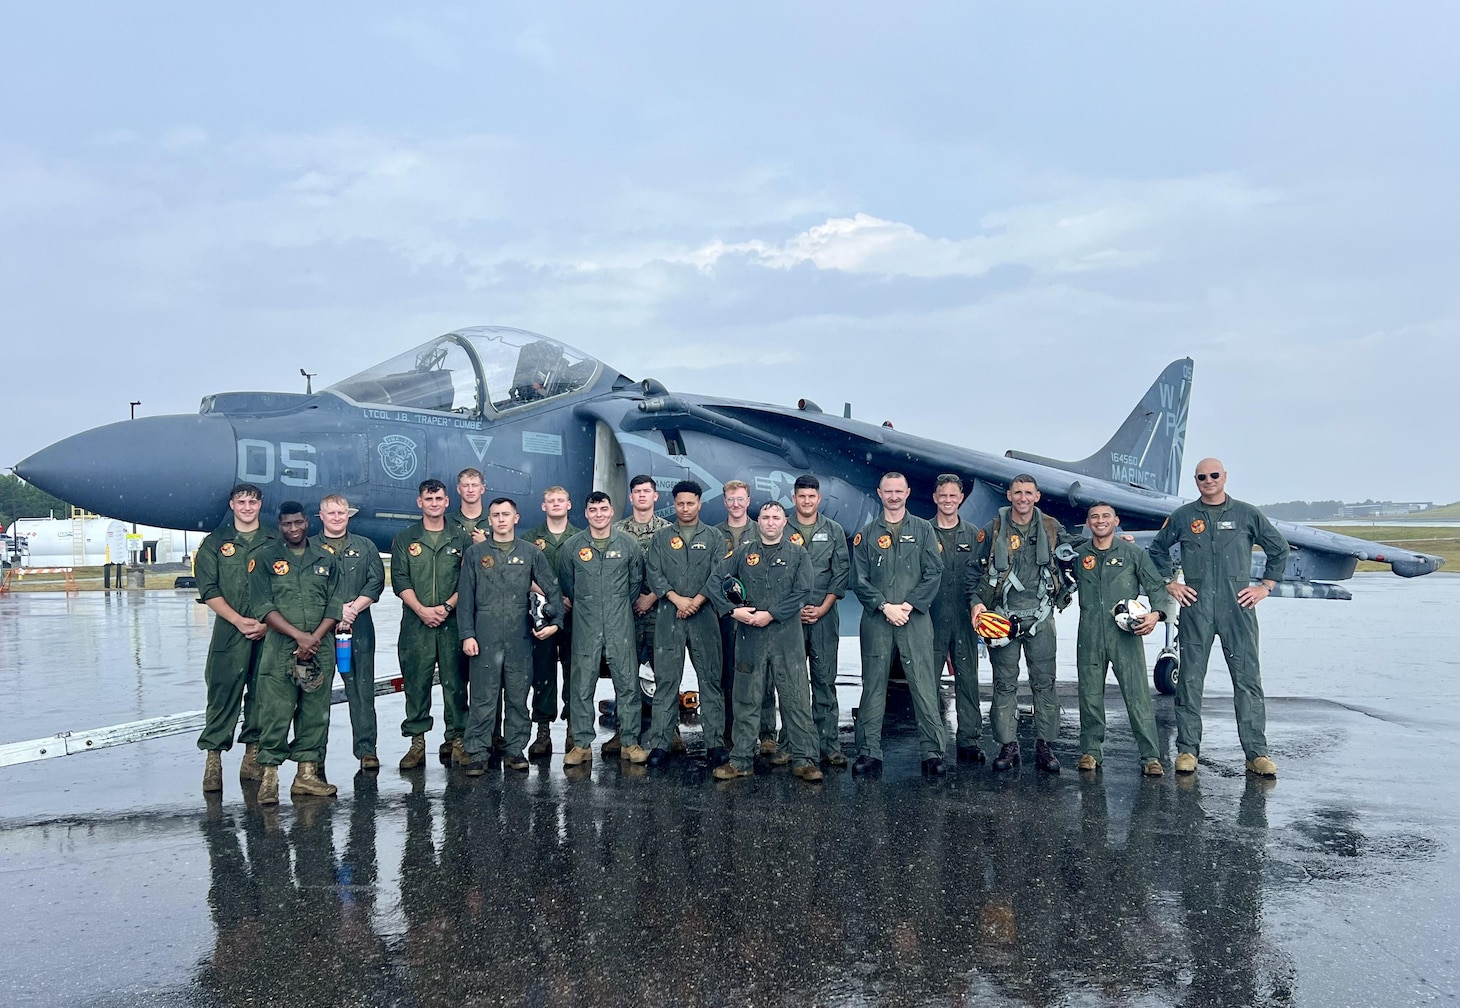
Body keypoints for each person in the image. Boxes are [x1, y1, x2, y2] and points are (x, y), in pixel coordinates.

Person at [1148, 458, 1288, 777]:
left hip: (1237, 608)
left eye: (1214, 475)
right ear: (1196, 481)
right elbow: (1156, 551)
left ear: (1224, 477)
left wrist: (1265, 586)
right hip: (1196, 608)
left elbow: (1278, 548)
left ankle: (1256, 754)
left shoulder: (1246, 514)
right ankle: (1187, 750)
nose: (1208, 480)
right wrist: (1171, 583)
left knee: (1247, 680)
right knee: (1190, 681)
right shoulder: (1184, 517)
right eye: (1201, 477)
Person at [710, 501, 824, 782]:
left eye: (776, 517)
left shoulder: (798, 555)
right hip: (750, 637)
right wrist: (732, 610)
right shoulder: (743, 552)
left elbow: (803, 592)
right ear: (757, 521)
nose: (770, 522)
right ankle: (740, 760)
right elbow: (714, 581)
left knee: (796, 699)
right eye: (765, 517)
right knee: (745, 700)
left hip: (787, 638)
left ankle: (804, 759)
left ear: (785, 522)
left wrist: (771, 614)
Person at [971, 474, 1074, 774]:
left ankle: (1045, 745)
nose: (1023, 498)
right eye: (1018, 493)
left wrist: (1122, 539)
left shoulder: (1052, 528)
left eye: (1029, 493)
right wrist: (976, 602)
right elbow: (979, 571)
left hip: (1041, 617)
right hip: (1004, 619)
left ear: (1037, 496)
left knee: (1045, 684)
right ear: (1009, 495)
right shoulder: (994, 530)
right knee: (1004, 685)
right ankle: (1008, 746)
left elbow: (1077, 550)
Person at [456, 497, 564, 774]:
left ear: (516, 518)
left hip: (520, 637)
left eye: (506, 514)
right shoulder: (476, 554)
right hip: (485, 635)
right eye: (495, 515)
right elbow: (466, 600)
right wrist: (467, 635)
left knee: (517, 698)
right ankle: (478, 752)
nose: (501, 519)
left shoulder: (530, 553)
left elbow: (553, 590)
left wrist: (554, 621)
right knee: (482, 698)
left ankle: (515, 751)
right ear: (489, 520)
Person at [850, 472, 946, 776]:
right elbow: (859, 580)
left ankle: (933, 752)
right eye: (888, 491)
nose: (893, 496)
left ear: (908, 493)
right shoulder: (865, 535)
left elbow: (934, 572)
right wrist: (884, 606)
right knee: (873, 685)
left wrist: (908, 605)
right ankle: (869, 752)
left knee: (924, 685)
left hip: (914, 618)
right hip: (878, 619)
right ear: (879, 493)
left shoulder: (924, 531)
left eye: (899, 491)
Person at [248, 501, 342, 804]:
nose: (293, 528)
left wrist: (313, 638)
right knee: (276, 712)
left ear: (307, 523)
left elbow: (335, 604)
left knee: (315, 713)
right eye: (287, 524)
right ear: (280, 526)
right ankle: (270, 779)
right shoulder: (264, 560)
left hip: (319, 648)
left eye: (298, 523)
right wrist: (298, 636)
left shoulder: (325, 560)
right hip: (281, 649)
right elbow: (263, 606)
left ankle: (306, 776)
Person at [1073, 502, 1171, 776]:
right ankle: (1091, 752)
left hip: (1125, 634)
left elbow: (1156, 587)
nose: (1100, 521)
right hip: (1090, 632)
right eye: (1094, 517)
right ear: (1088, 522)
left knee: (1137, 695)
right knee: (1090, 694)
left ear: (1116, 521)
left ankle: (1150, 756)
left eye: (1106, 516)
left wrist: (1156, 615)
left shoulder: (1132, 553)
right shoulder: (1079, 555)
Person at [196, 483, 278, 793]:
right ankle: (213, 759)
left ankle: (252, 755)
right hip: (229, 632)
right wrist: (238, 620)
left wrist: (267, 624)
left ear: (260, 505)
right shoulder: (215, 543)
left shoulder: (275, 541)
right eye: (241, 501)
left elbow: (285, 585)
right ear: (232, 504)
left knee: (262, 694)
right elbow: (208, 590)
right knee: (221, 694)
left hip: (268, 630)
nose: (247, 507)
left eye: (252, 502)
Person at [557, 491, 644, 767]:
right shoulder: (572, 547)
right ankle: (582, 745)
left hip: (620, 624)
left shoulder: (629, 545)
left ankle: (630, 742)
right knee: (582, 685)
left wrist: (616, 606)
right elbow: (568, 585)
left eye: (603, 509)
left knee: (628, 684)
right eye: (593, 510)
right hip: (585, 624)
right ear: (585, 513)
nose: (598, 514)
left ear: (611, 512)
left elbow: (635, 584)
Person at [644, 480, 725, 767]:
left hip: (705, 617)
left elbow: (719, 574)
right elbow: (654, 572)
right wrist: (678, 600)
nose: (685, 508)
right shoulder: (662, 538)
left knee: (710, 681)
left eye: (691, 503)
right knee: (666, 682)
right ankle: (661, 744)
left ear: (700, 503)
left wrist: (697, 601)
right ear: (674, 504)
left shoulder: (714, 537)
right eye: (680, 503)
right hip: (670, 616)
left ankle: (716, 743)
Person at [391, 479, 471, 770]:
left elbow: (468, 580)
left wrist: (448, 606)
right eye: (429, 498)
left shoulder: (460, 539)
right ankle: (417, 742)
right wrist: (422, 610)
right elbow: (400, 579)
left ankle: (457, 739)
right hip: (416, 624)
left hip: (452, 623)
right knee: (416, 684)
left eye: (439, 498)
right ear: (419, 502)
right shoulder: (406, 539)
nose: (434, 503)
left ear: (447, 502)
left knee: (456, 683)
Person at [313, 494, 385, 771]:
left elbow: (375, 581)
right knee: (317, 692)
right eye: (330, 513)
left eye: (341, 513)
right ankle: (314, 754)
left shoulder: (365, 547)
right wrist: (335, 611)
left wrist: (352, 609)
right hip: (321, 628)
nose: (336, 518)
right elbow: (307, 587)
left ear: (348, 515)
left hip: (359, 625)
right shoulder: (310, 547)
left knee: (362, 689)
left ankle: (367, 750)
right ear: (321, 516)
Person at [788, 474, 850, 765]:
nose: (807, 501)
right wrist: (793, 608)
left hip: (825, 617)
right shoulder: (781, 527)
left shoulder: (834, 530)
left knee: (824, 681)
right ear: (794, 498)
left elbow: (840, 573)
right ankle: (791, 744)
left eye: (812, 496)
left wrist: (823, 607)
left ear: (819, 499)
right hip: (790, 619)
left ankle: (829, 744)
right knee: (791, 683)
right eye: (802, 496)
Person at [610, 474, 672, 754]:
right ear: (631, 496)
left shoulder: (668, 531)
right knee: (625, 677)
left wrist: (651, 596)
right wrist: (634, 599)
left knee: (666, 675)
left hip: (660, 611)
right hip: (627, 614)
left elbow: (674, 573)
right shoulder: (617, 531)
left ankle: (670, 732)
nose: (642, 496)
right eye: (637, 491)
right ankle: (624, 733)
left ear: (656, 496)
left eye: (647, 491)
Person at [929, 474, 986, 764]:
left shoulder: (973, 534)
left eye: (954, 496)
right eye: (943, 495)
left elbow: (979, 576)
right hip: (931, 618)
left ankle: (968, 741)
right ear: (935, 498)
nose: (948, 500)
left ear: (961, 498)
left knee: (968, 680)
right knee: (928, 685)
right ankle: (932, 746)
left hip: (965, 617)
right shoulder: (923, 532)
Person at [522, 486, 580, 758]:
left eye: (561, 500)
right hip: (540, 615)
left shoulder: (581, 536)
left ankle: (573, 729)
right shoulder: (531, 539)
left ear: (569, 505)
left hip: (574, 615)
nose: (556, 504)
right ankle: (542, 732)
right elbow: (523, 572)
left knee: (575, 673)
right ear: (543, 506)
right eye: (550, 501)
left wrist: (569, 597)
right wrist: (552, 596)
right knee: (542, 673)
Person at [714, 481, 765, 751]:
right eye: (730, 499)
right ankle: (728, 732)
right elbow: (712, 576)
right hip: (725, 615)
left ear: (748, 501)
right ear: (724, 502)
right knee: (726, 675)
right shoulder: (713, 535)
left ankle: (762, 734)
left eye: (740, 499)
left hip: (755, 615)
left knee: (757, 675)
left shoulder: (760, 530)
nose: (735, 504)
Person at [450, 468, 489, 545]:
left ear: (482, 489)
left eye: (474, 485)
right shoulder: (447, 521)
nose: (470, 490)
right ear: (458, 489)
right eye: (465, 485)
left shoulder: (494, 520)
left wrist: (485, 546)